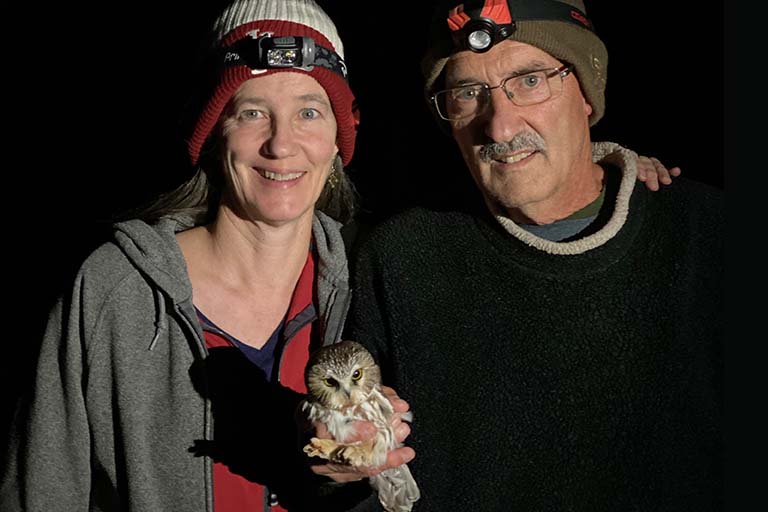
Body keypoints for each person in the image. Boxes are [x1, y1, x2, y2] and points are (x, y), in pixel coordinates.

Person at [0, 0, 682, 510]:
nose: (281, 145)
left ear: (339, 137)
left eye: (309, 111)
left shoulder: (367, 272)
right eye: (251, 111)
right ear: (213, 134)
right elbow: (41, 489)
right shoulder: (116, 290)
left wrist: (611, 167)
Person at [345, 0, 723, 511]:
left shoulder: (711, 235)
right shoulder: (400, 259)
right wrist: (341, 460)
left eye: (529, 81)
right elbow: (353, 476)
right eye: (468, 93)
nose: (499, 127)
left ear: (586, 91)